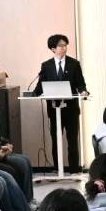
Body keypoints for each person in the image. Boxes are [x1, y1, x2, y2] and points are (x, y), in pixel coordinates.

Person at [31, 33, 87, 169]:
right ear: (53, 48)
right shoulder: (46, 66)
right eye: (61, 46)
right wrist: (32, 94)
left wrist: (83, 91)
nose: (64, 48)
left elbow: (80, 84)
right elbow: (40, 86)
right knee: (55, 139)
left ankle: (74, 169)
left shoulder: (74, 64)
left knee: (72, 139)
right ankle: (58, 168)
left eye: (65, 45)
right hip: (54, 108)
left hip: (71, 108)